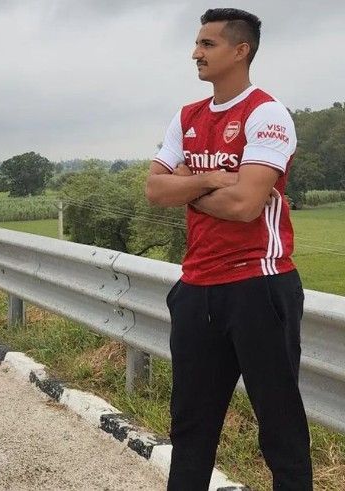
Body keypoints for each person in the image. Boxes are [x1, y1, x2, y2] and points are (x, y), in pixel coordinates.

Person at [145, 8, 312, 490]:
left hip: (259, 285)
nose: (195, 53)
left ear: (241, 51)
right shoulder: (186, 116)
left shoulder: (267, 113)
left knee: (280, 430)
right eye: (196, 43)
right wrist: (211, 178)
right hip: (197, 289)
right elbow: (155, 191)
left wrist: (187, 185)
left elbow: (244, 204)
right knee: (191, 429)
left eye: (207, 44)